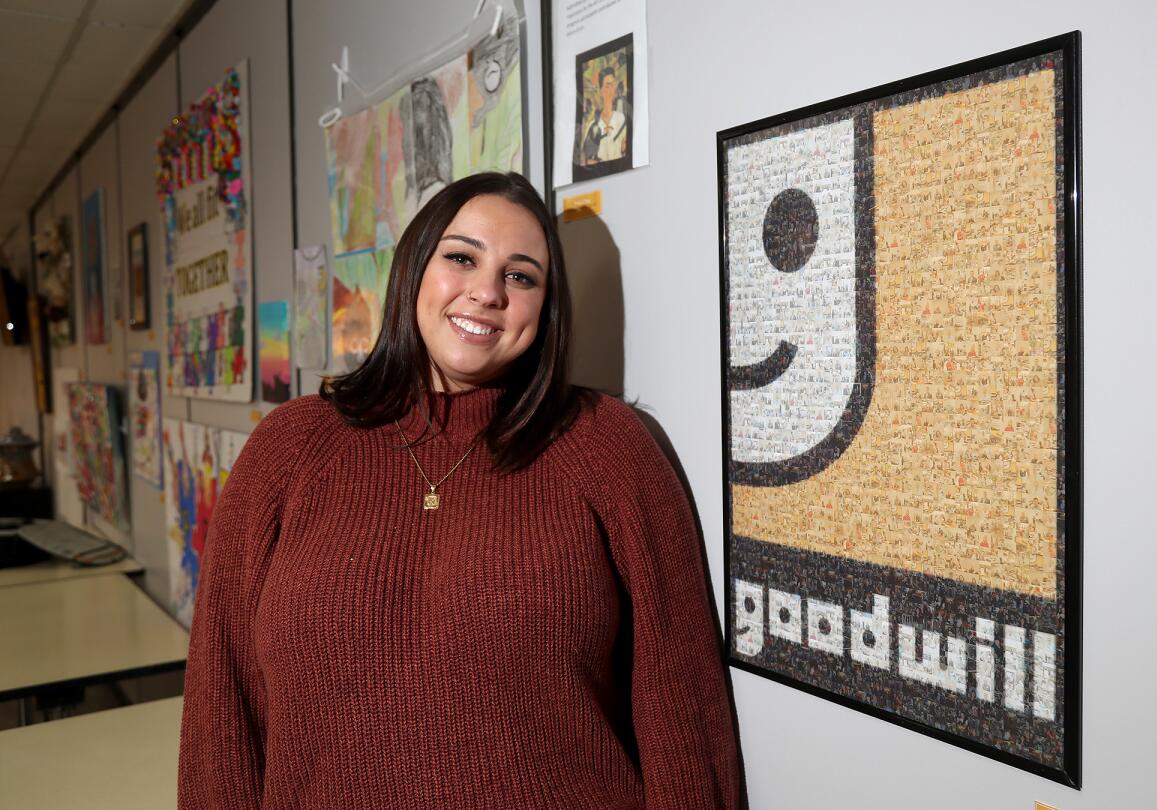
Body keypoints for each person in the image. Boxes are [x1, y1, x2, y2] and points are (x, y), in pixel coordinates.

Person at [178, 172, 741, 807]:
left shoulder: (606, 445)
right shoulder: (292, 446)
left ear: (544, 309)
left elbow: (682, 702)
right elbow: (219, 705)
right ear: (415, 268)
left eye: (520, 275)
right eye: (462, 258)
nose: (486, 292)